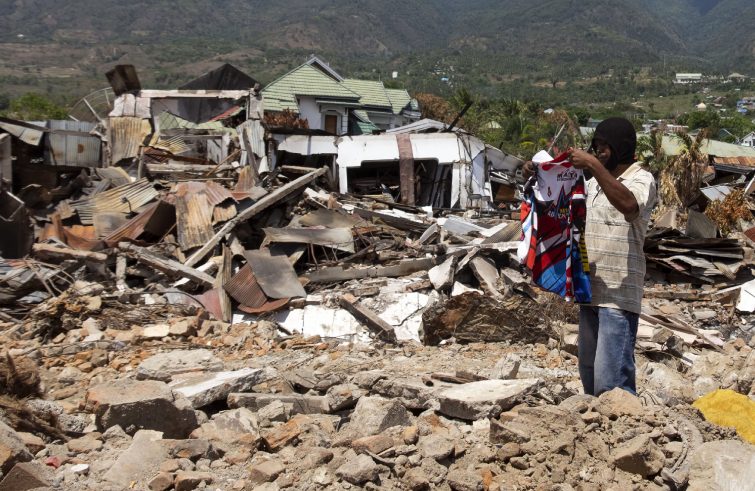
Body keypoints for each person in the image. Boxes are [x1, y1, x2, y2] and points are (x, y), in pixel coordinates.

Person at [524, 117, 657, 396]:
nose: (599, 152)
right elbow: (559, 204)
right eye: (596, 146)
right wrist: (540, 174)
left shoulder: (641, 179)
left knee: (612, 381)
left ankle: (623, 421)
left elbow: (629, 205)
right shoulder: (593, 184)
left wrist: (593, 165)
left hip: (618, 297)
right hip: (589, 289)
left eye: (605, 146)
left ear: (621, 147)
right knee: (589, 374)